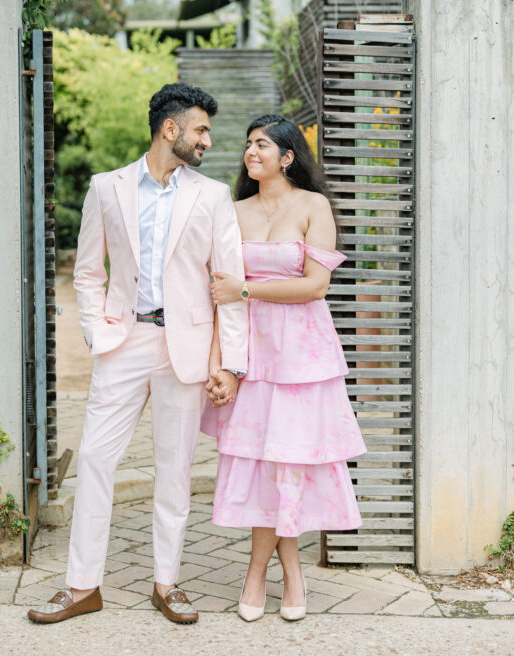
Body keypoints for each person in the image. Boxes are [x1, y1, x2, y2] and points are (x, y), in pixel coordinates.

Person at [28, 83, 248, 626]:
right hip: (124, 341)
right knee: (98, 460)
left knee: (173, 470)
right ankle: (82, 586)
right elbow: (86, 272)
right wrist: (99, 331)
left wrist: (230, 363)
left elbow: (229, 284)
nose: (207, 140)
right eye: (200, 129)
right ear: (169, 129)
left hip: (187, 348)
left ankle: (166, 583)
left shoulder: (213, 196)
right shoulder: (107, 187)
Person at [202, 114, 366, 622]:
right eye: (249, 145)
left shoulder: (313, 206)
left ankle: (262, 573)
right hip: (252, 353)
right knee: (265, 465)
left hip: (304, 357)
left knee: (289, 462)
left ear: (288, 156)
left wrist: (247, 288)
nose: (252, 152)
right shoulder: (231, 212)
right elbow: (218, 299)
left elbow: (316, 286)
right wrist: (221, 366)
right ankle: (287, 571)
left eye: (263, 145)